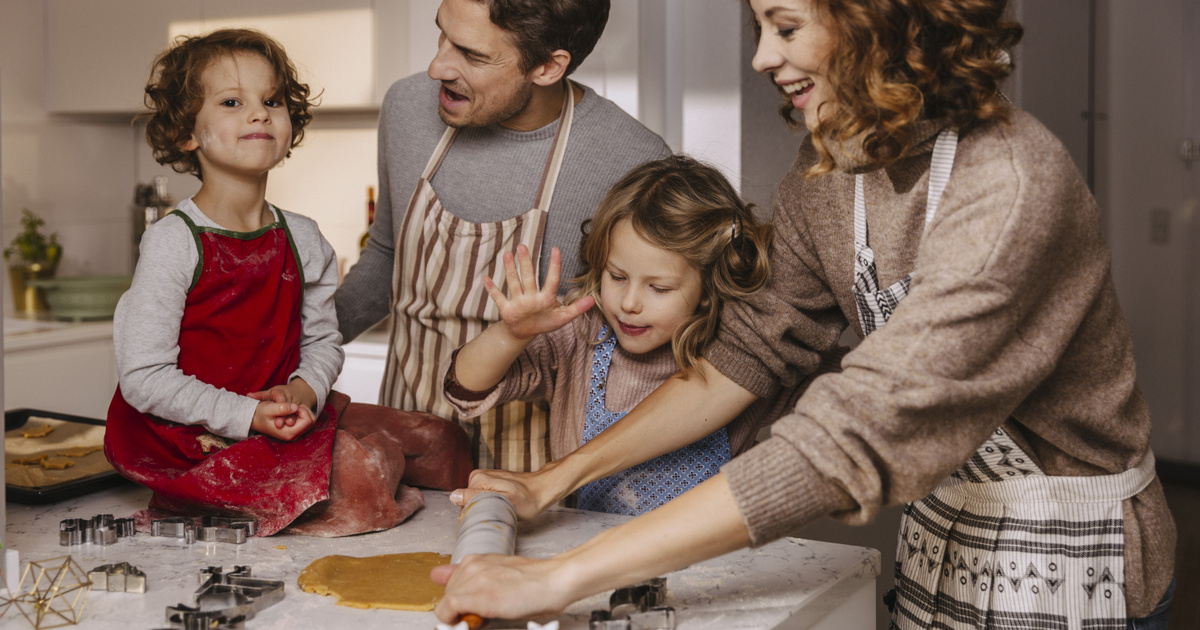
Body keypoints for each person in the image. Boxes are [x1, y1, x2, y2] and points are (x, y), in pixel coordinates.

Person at [432, 1, 1178, 628]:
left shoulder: (1010, 185)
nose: (761, 57)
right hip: (941, 541)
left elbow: (857, 428)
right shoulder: (830, 171)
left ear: (878, 21)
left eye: (785, 27)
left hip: (1070, 554)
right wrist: (556, 478)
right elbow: (745, 355)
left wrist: (563, 578)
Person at [105, 28, 473, 538]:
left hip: (278, 416)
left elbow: (322, 341)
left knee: (440, 437)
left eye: (271, 100)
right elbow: (143, 377)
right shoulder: (175, 241)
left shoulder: (303, 237)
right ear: (187, 134)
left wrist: (303, 392)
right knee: (362, 470)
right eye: (232, 101)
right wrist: (248, 414)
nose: (259, 113)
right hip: (196, 433)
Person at [334, 0, 671, 474]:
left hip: (535, 462)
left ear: (548, 67)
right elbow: (386, 258)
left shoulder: (630, 157)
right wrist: (292, 355)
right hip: (403, 443)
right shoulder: (407, 109)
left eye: (472, 55)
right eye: (442, 36)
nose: (437, 67)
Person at [441, 155, 785, 516]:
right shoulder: (582, 335)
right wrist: (511, 336)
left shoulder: (741, 357)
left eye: (659, 288)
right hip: (594, 559)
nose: (629, 303)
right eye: (617, 277)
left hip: (710, 568)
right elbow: (463, 387)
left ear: (709, 287)